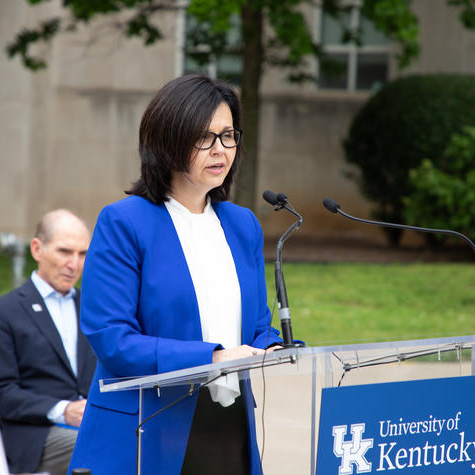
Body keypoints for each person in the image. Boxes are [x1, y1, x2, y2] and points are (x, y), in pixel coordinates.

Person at [69, 74, 282, 475]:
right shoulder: (124, 222)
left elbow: (255, 325)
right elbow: (111, 339)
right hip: (147, 430)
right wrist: (212, 357)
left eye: (228, 135)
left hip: (229, 426)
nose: (221, 150)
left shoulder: (242, 224)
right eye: (204, 138)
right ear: (168, 141)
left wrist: (274, 345)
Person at [0, 209, 97, 475]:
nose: (74, 264)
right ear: (37, 249)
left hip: (94, 422)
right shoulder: (4, 312)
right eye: (65, 252)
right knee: (105, 446)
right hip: (37, 434)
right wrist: (63, 410)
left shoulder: (92, 307)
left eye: (82, 254)